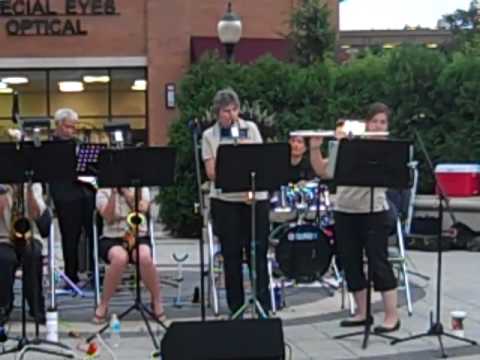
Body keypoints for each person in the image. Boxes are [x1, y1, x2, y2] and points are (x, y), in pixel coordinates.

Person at [310, 102, 400, 333]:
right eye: (374, 121)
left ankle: (392, 315)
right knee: (350, 261)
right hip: (345, 210)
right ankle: (362, 312)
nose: (378, 126)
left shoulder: (388, 151)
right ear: (366, 123)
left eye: (383, 122)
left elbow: (396, 177)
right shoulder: (347, 144)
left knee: (378, 261)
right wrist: (315, 148)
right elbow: (323, 171)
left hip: (374, 212)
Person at [202, 88, 271, 316]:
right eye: (225, 111)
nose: (230, 115)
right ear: (217, 113)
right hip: (225, 200)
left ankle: (263, 305)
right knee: (231, 254)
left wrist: (243, 149)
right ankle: (236, 307)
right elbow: (211, 172)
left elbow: (260, 161)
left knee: (257, 253)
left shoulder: (250, 129)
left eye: (234, 110)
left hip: (253, 200)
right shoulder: (209, 136)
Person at [93, 186, 165, 324]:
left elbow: (143, 208)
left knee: (144, 257)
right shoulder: (103, 190)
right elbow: (109, 217)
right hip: (112, 236)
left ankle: (156, 300)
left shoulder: (140, 187)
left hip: (138, 234)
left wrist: (126, 192)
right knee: (120, 258)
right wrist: (114, 193)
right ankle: (103, 304)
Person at [50, 108, 95, 287]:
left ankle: (93, 273)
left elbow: (90, 168)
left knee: (93, 233)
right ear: (59, 125)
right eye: (69, 127)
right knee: (70, 237)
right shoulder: (50, 147)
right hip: (65, 195)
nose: (72, 131)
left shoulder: (78, 143)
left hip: (85, 193)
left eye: (74, 127)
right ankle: (71, 275)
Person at [0, 184, 48, 326]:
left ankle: (35, 305)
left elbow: (39, 216)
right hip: (4, 236)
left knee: (33, 254)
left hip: (29, 235)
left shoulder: (33, 185)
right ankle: (3, 305)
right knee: (4, 258)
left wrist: (29, 194)